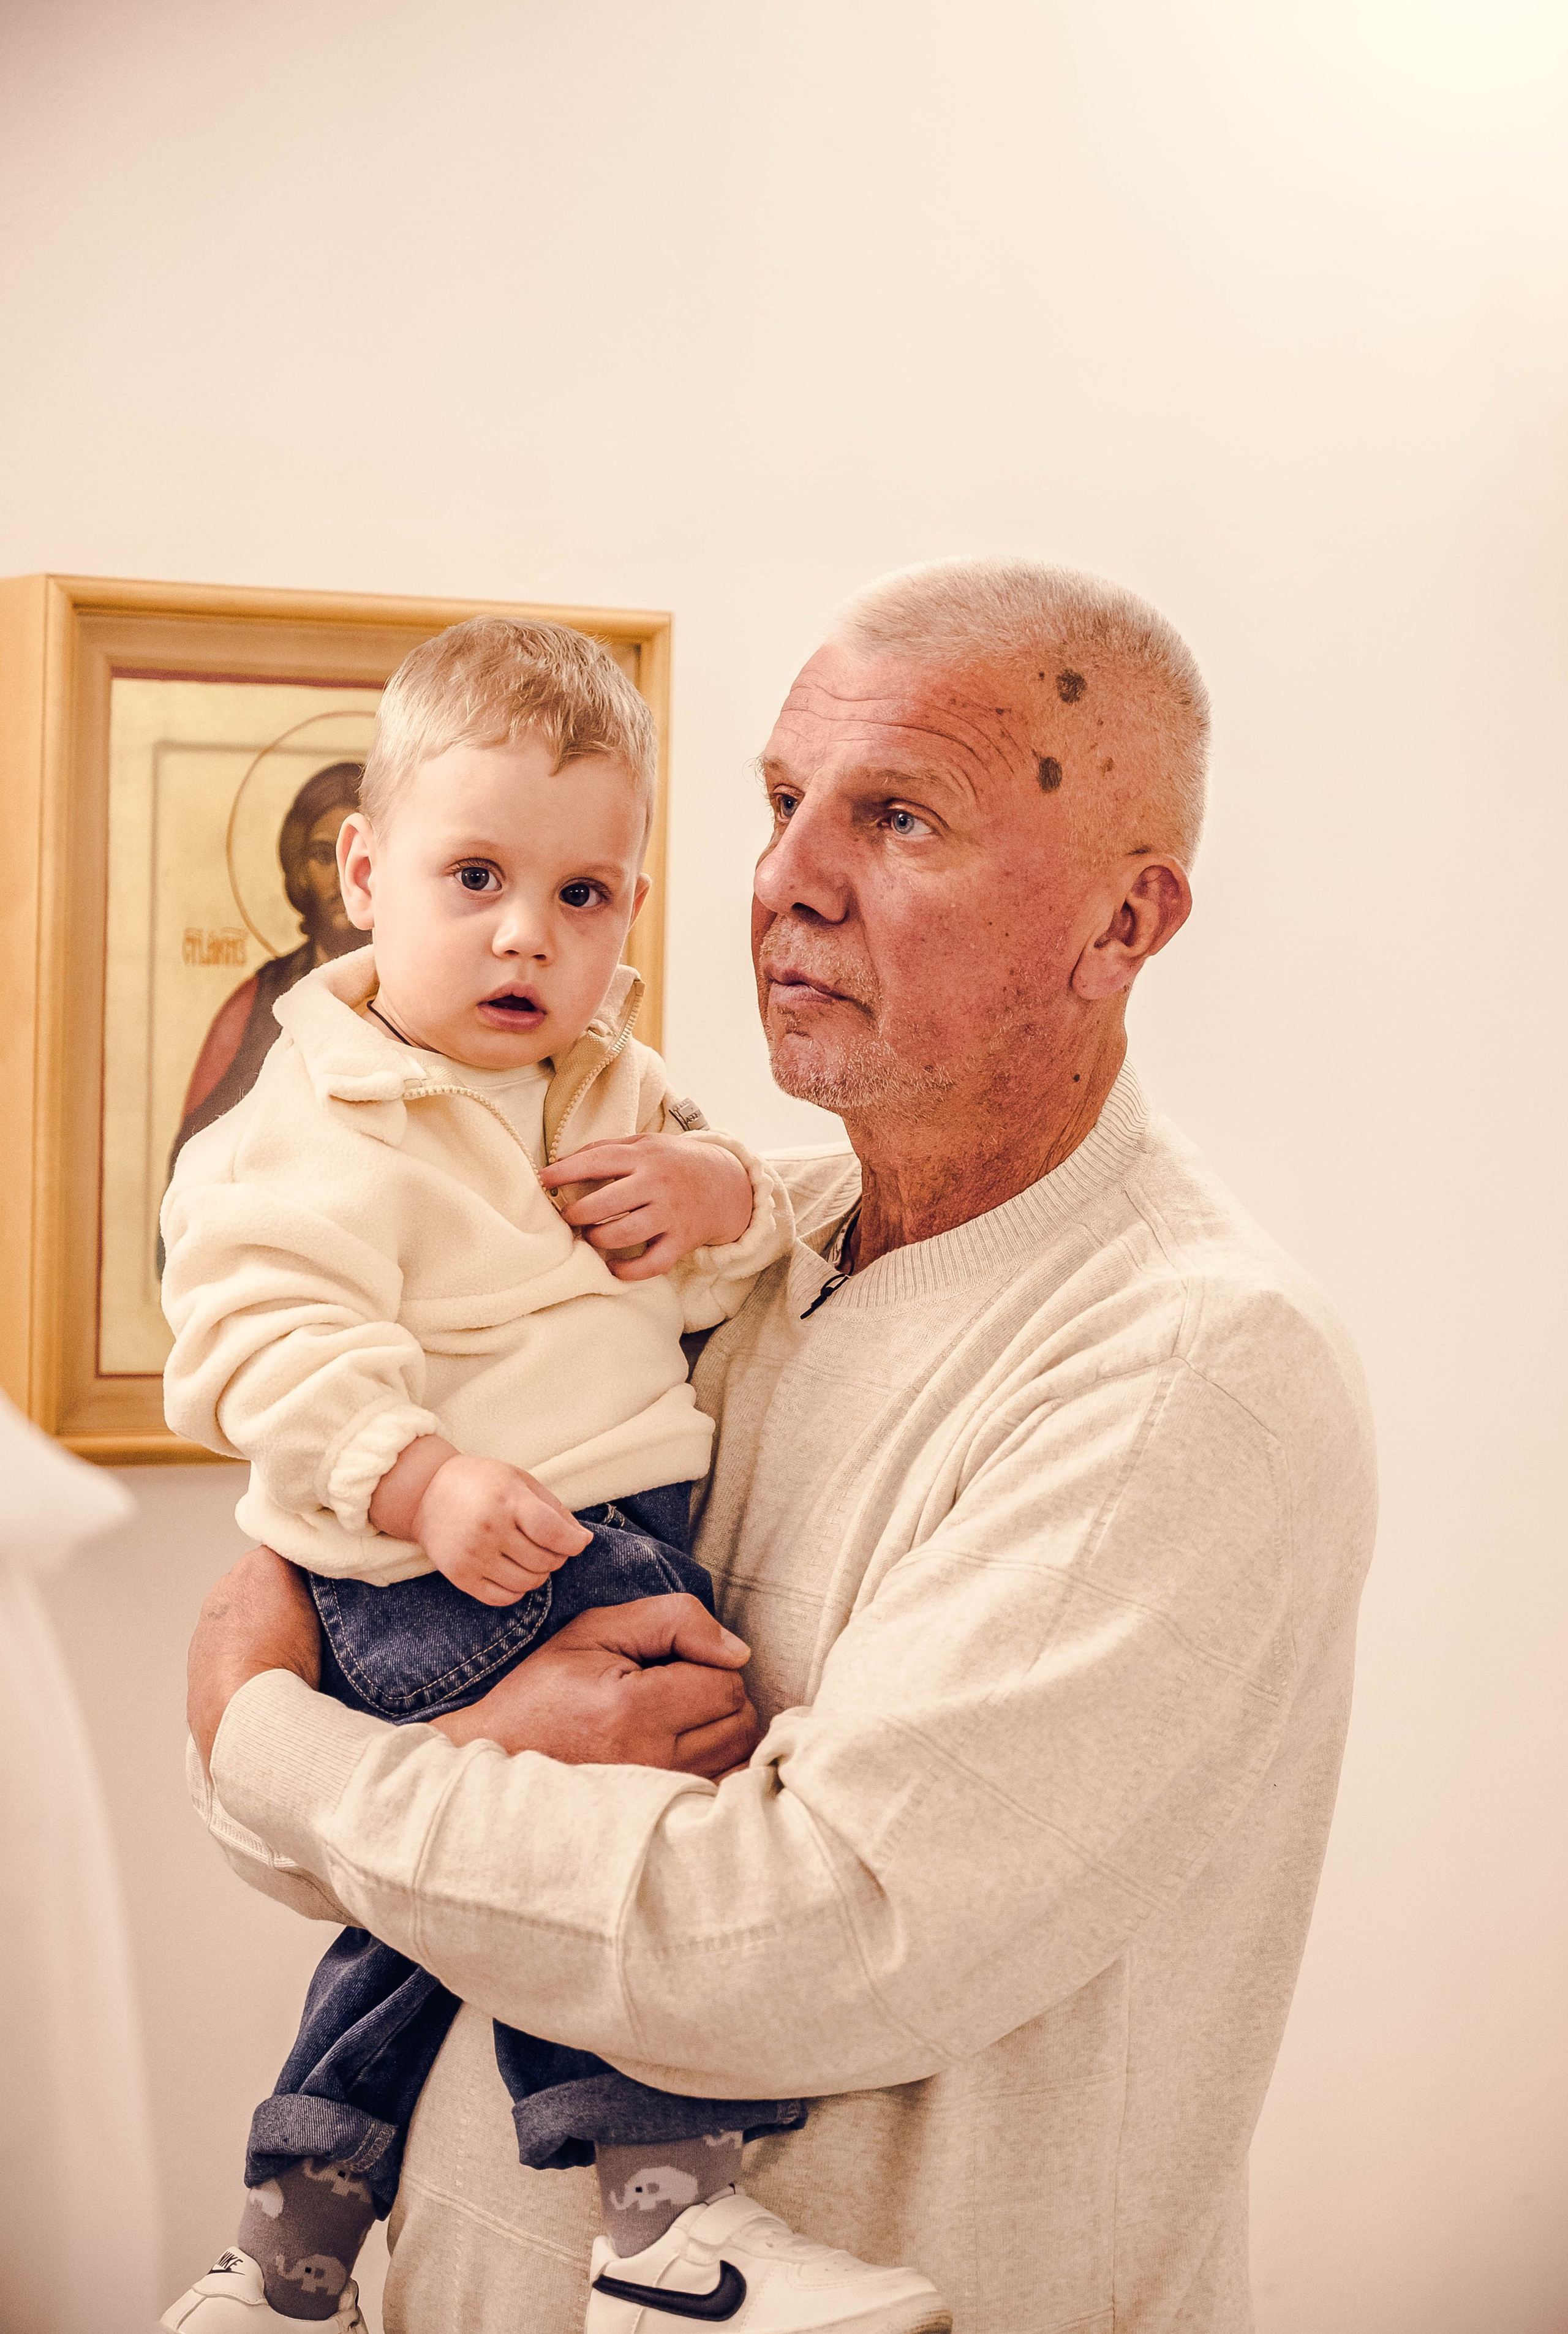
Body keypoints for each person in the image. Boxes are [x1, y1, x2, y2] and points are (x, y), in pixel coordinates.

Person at [184, 559, 1377, 2334]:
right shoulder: (708, 1238)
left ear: (1123, 925)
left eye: (895, 816)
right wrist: (464, 1743)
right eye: (776, 803)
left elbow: (801, 1945)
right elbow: (332, 1755)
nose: (786, 881)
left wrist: (273, 1741)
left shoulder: (1189, 1369)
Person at [157, 617, 951, 2334]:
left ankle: (286, 2270)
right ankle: (666, 2233)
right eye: (476, 876)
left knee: (423, 1923)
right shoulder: (319, 1115)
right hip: (458, 1559)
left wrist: (720, 1195)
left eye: (583, 895)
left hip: (573, 1525)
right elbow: (245, 1337)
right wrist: (419, 1474)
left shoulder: (614, 1087)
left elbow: (708, 1278)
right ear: (365, 871)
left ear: (631, 915)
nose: (528, 931)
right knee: (611, 1841)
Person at [169, 759, 370, 1176]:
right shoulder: (257, 1003)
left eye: (361, 853)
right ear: (298, 871)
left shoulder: (426, 993)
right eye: (322, 854)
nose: (342, 874)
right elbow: (195, 1160)